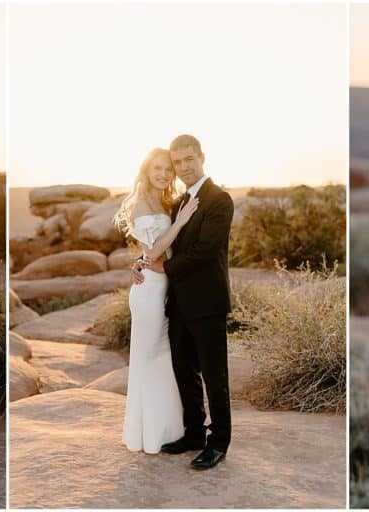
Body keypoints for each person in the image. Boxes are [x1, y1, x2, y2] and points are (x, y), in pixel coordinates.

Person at [133, 134, 235, 470]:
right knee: (184, 371)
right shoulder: (177, 203)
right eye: (178, 162)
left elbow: (204, 253)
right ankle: (194, 433)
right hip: (176, 302)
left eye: (189, 159)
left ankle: (218, 442)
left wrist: (162, 267)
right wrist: (143, 261)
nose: (184, 167)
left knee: (214, 375)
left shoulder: (220, 200)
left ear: (202, 157)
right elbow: (165, 243)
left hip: (206, 302)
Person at [112, 147, 199, 454]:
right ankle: (148, 434)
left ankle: (166, 430)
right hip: (149, 291)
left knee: (164, 358)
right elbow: (154, 253)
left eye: (168, 170)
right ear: (146, 170)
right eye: (157, 169)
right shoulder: (139, 203)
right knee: (149, 358)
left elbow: (147, 255)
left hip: (165, 285)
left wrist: (139, 259)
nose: (164, 174)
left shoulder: (165, 201)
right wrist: (179, 223)